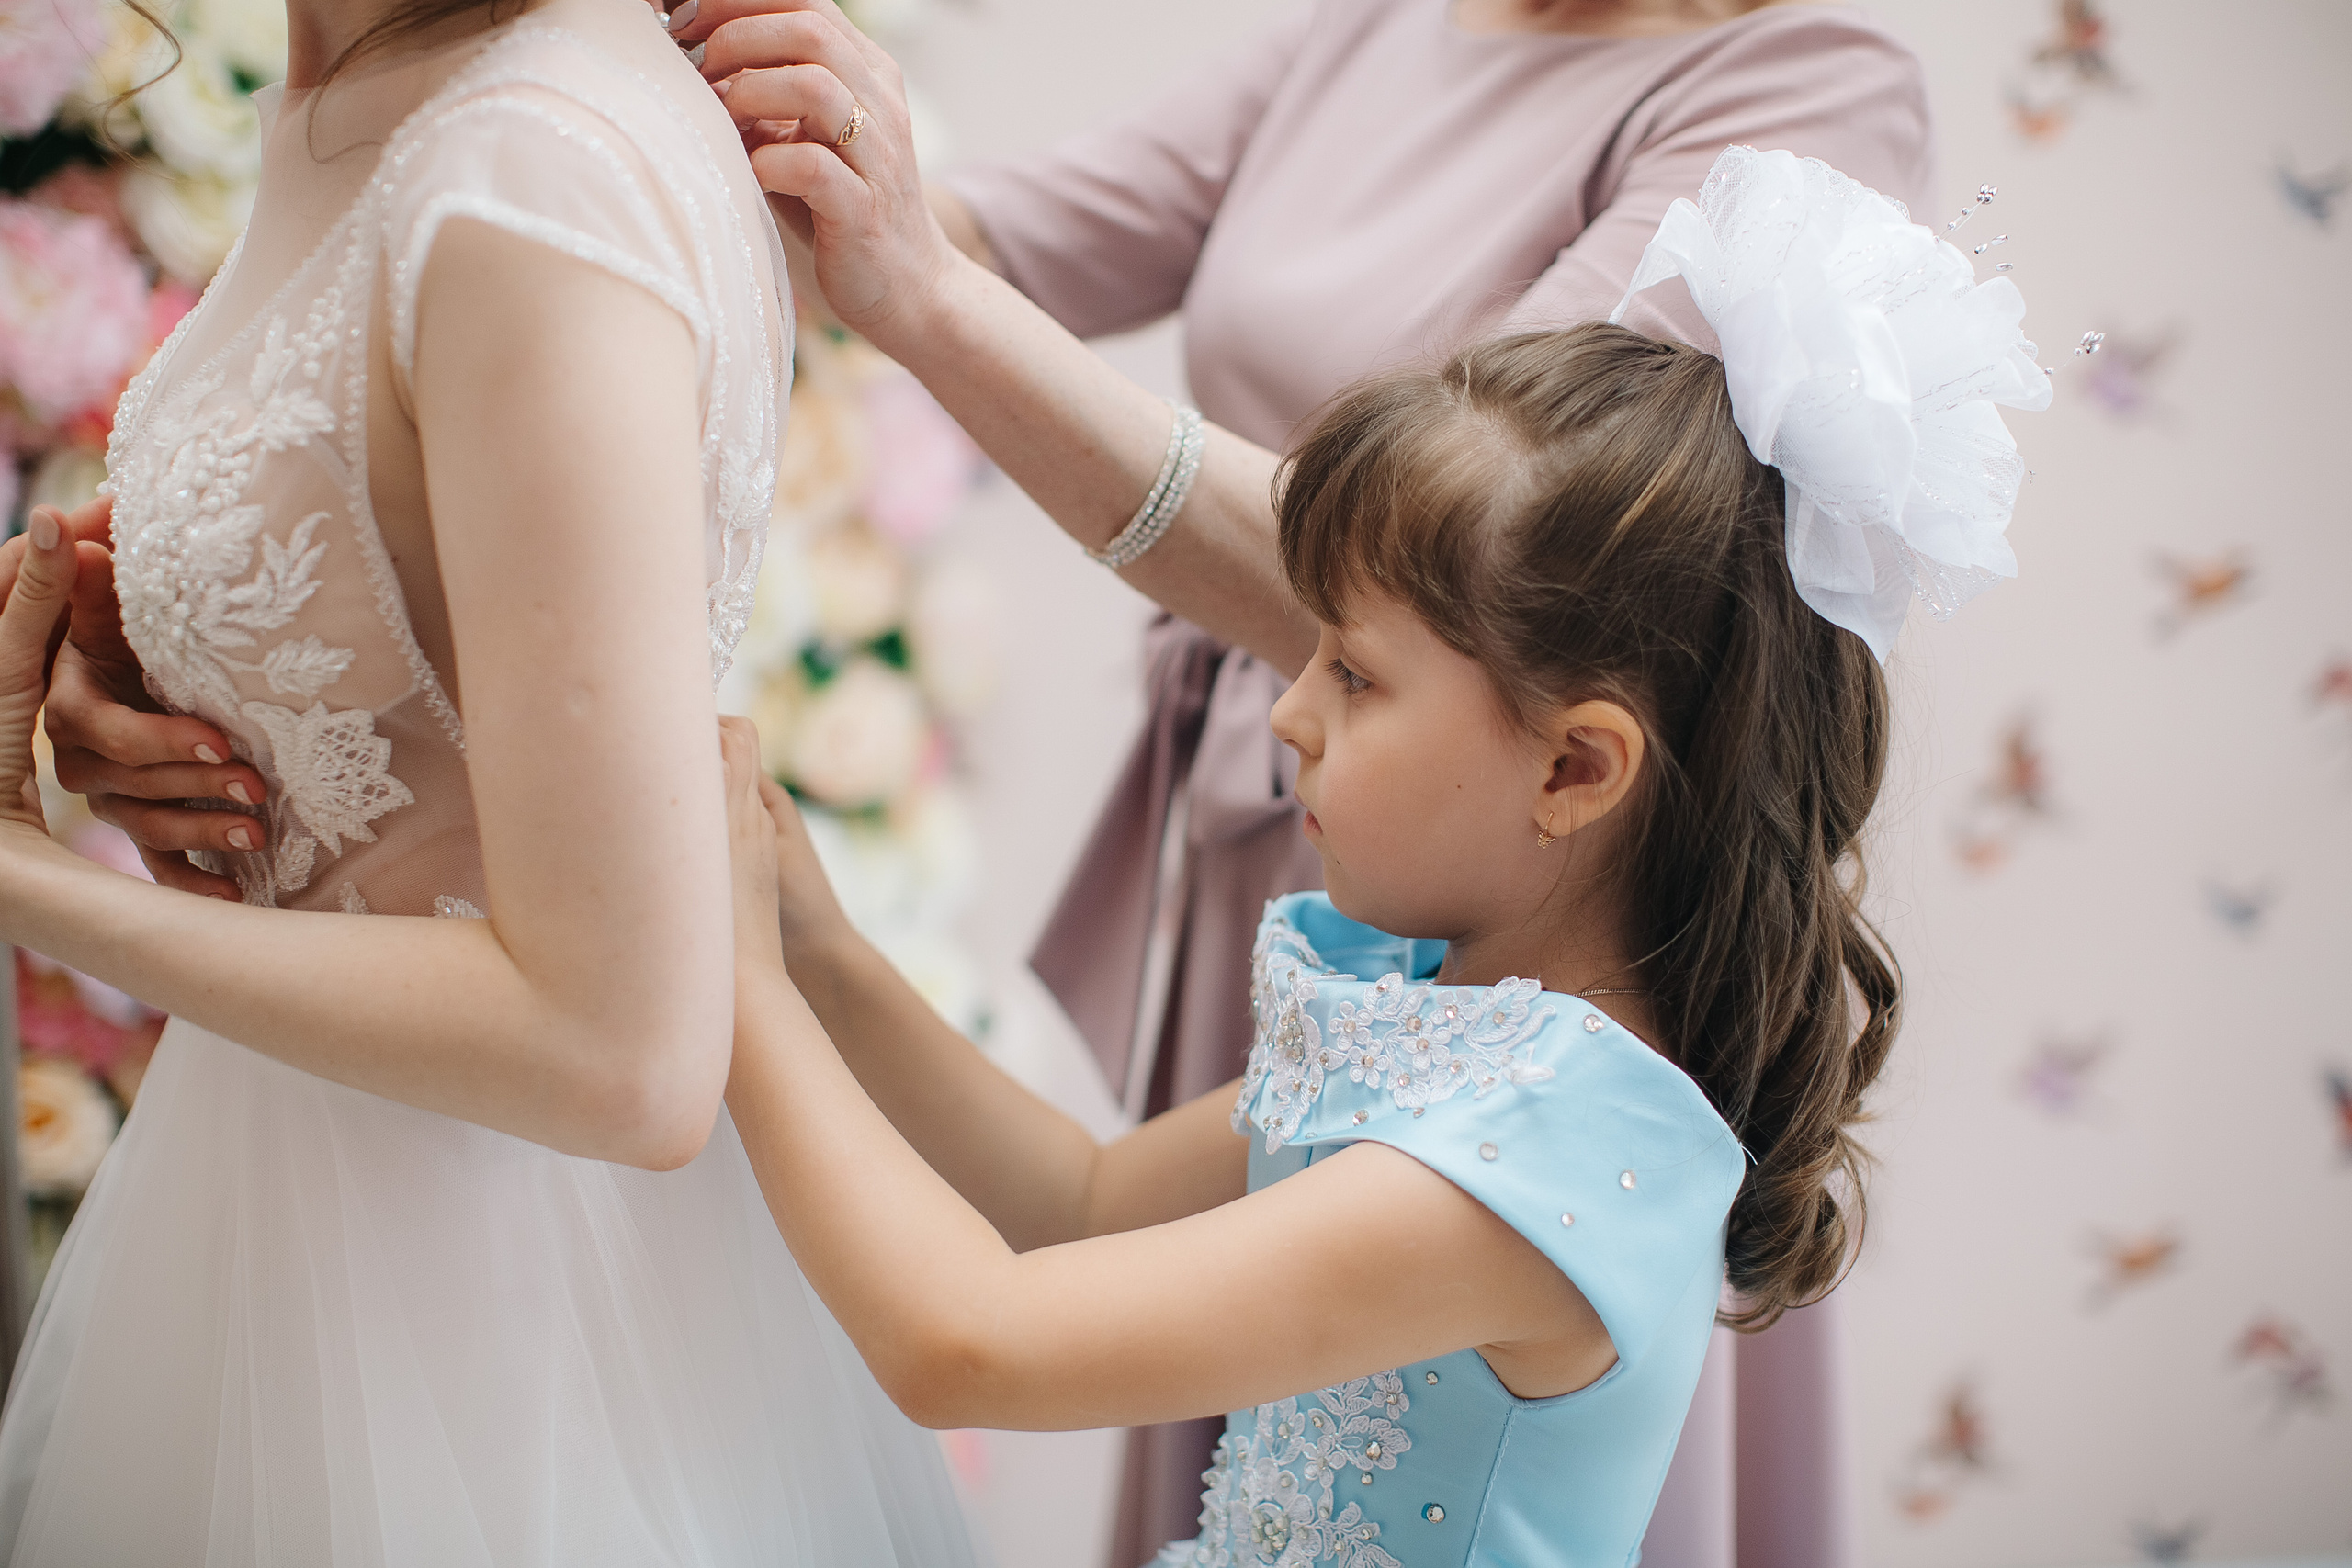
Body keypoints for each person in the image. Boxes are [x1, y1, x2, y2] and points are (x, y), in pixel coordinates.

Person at [707, 147, 2050, 1567]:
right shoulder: (1442, 1030)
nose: (1288, 710)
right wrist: (823, 958)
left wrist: (738, 989)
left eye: (1351, 673)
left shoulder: (1530, 1165)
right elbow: (1075, 1203)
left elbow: (967, 1345)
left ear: (1572, 767)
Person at [0, 0, 978, 1559]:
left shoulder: (523, 167)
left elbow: (624, 1053)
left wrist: (35, 889)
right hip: (292, 1203)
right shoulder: (373, 77)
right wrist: (170, 662)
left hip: (486, 1310)